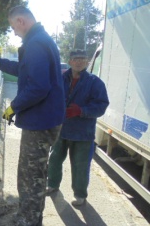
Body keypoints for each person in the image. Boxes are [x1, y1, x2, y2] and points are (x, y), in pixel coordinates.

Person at [0, 5, 65, 226]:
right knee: (36, 174)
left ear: (21, 21)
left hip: (40, 124)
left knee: (30, 178)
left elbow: (38, 87)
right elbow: (25, 70)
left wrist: (13, 107)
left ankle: (27, 221)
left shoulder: (36, 44)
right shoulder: (40, 40)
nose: (14, 32)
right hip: (46, 120)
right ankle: (32, 218)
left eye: (13, 27)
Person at [46, 49, 109, 206]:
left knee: (80, 166)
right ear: (70, 61)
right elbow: (50, 97)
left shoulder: (95, 83)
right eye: (76, 58)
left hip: (83, 133)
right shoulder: (60, 79)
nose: (79, 61)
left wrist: (81, 110)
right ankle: (52, 185)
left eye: (83, 58)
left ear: (88, 62)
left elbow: (101, 105)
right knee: (54, 160)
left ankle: (80, 195)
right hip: (61, 129)